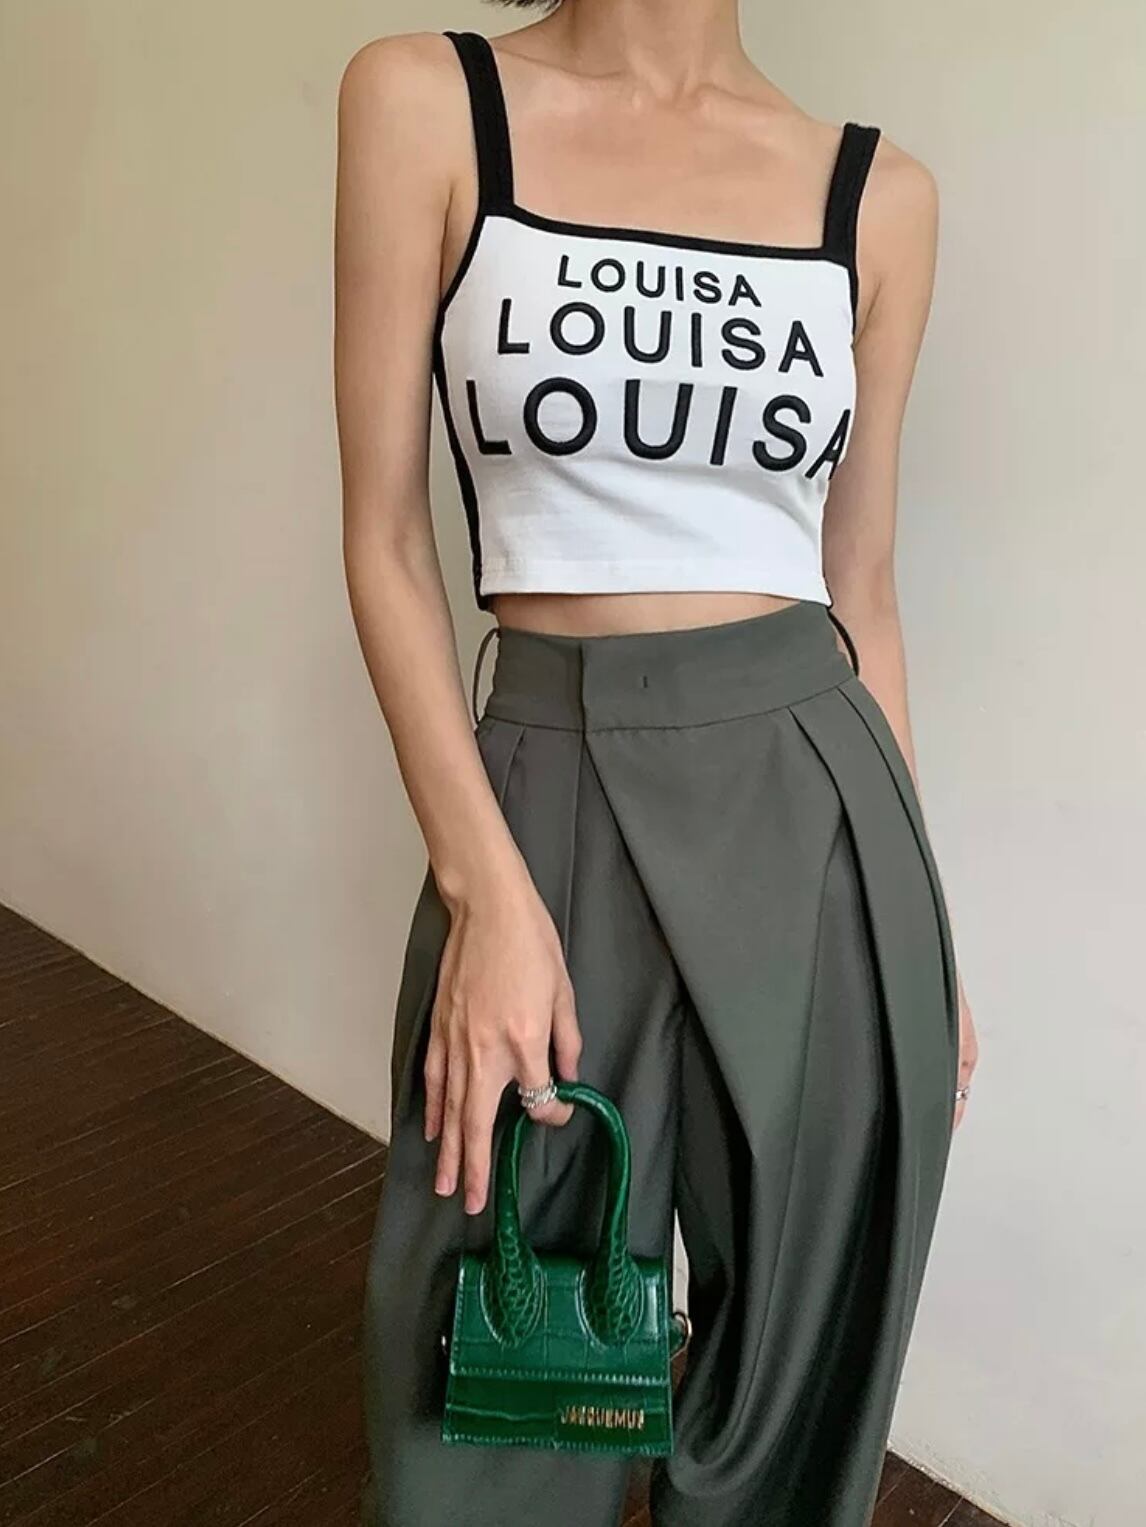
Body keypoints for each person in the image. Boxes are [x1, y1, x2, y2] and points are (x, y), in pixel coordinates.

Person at [334, 2, 979, 1522]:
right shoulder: (430, 101)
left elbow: (860, 584)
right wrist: (484, 890)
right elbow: (384, 541)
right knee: (493, 1355)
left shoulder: (878, 195)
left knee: (799, 1371)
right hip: (546, 791)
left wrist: (925, 929)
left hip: (820, 811)